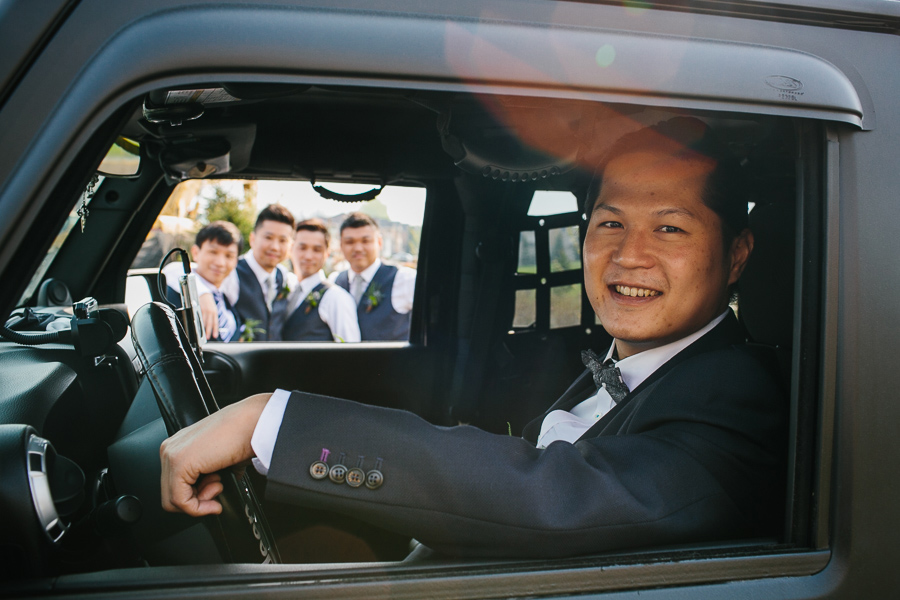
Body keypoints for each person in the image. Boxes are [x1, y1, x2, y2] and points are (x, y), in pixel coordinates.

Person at [160, 118, 786, 559]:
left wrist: (271, 423)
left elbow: (553, 495)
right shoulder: (632, 363)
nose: (630, 255)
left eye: (671, 229)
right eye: (611, 222)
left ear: (736, 256)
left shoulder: (736, 392)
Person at [330, 213, 416, 341]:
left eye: (365, 241)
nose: (358, 248)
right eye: (350, 242)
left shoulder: (405, 279)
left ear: (379, 242)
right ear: (341, 245)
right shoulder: (334, 281)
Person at [161, 221, 243, 342]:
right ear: (195, 252)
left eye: (229, 256)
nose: (220, 263)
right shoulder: (174, 295)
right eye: (213, 252)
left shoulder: (227, 295)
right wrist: (199, 293)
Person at [282, 219, 360, 342]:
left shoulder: (336, 298)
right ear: (291, 249)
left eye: (316, 250)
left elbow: (351, 352)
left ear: (327, 254)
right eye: (302, 248)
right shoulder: (287, 289)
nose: (308, 256)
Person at [228, 204, 297, 342]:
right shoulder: (231, 272)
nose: (275, 247)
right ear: (252, 239)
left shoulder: (285, 277)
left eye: (283, 240)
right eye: (268, 237)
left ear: (290, 245)